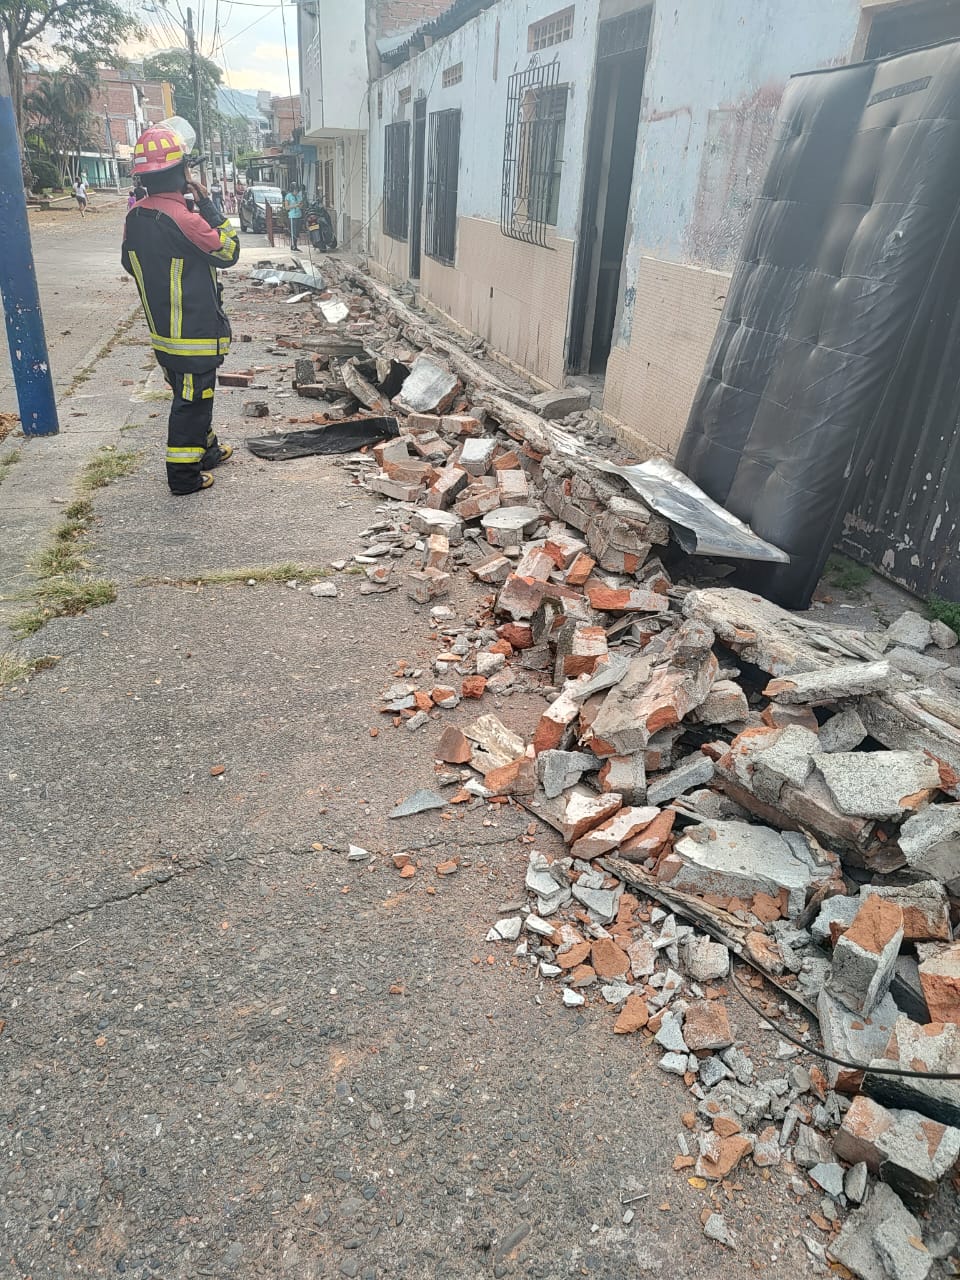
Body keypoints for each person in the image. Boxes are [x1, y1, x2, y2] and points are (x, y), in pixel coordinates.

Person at [121, 124, 240, 496]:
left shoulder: (135, 217)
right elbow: (228, 251)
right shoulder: (185, 220)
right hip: (193, 333)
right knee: (193, 401)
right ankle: (184, 475)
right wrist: (207, 204)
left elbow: (130, 263)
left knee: (191, 394)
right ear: (182, 173)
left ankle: (208, 450)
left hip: (164, 333)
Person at [284, 183, 303, 251]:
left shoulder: (299, 196)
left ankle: (295, 245)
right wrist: (295, 205)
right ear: (292, 190)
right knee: (293, 231)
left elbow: (301, 205)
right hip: (292, 216)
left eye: (297, 190)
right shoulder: (288, 196)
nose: (296, 192)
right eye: (295, 190)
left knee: (297, 231)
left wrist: (300, 205)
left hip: (299, 215)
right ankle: (293, 245)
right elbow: (286, 207)